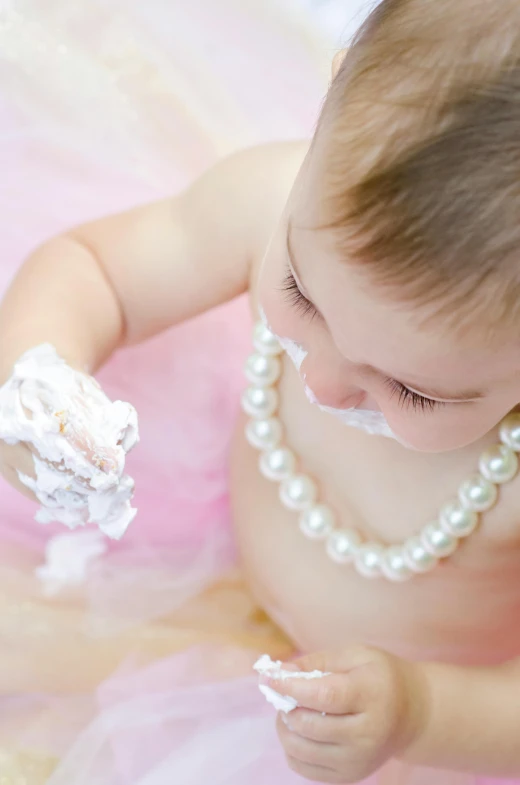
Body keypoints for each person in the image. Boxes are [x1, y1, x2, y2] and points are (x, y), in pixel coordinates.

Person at [2, 0, 520, 782]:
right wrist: (36, 378)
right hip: (200, 574)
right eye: (302, 297)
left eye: (413, 390)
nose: (322, 382)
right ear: (328, 102)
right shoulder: (270, 200)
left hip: (399, 730)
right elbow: (94, 268)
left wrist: (420, 710)